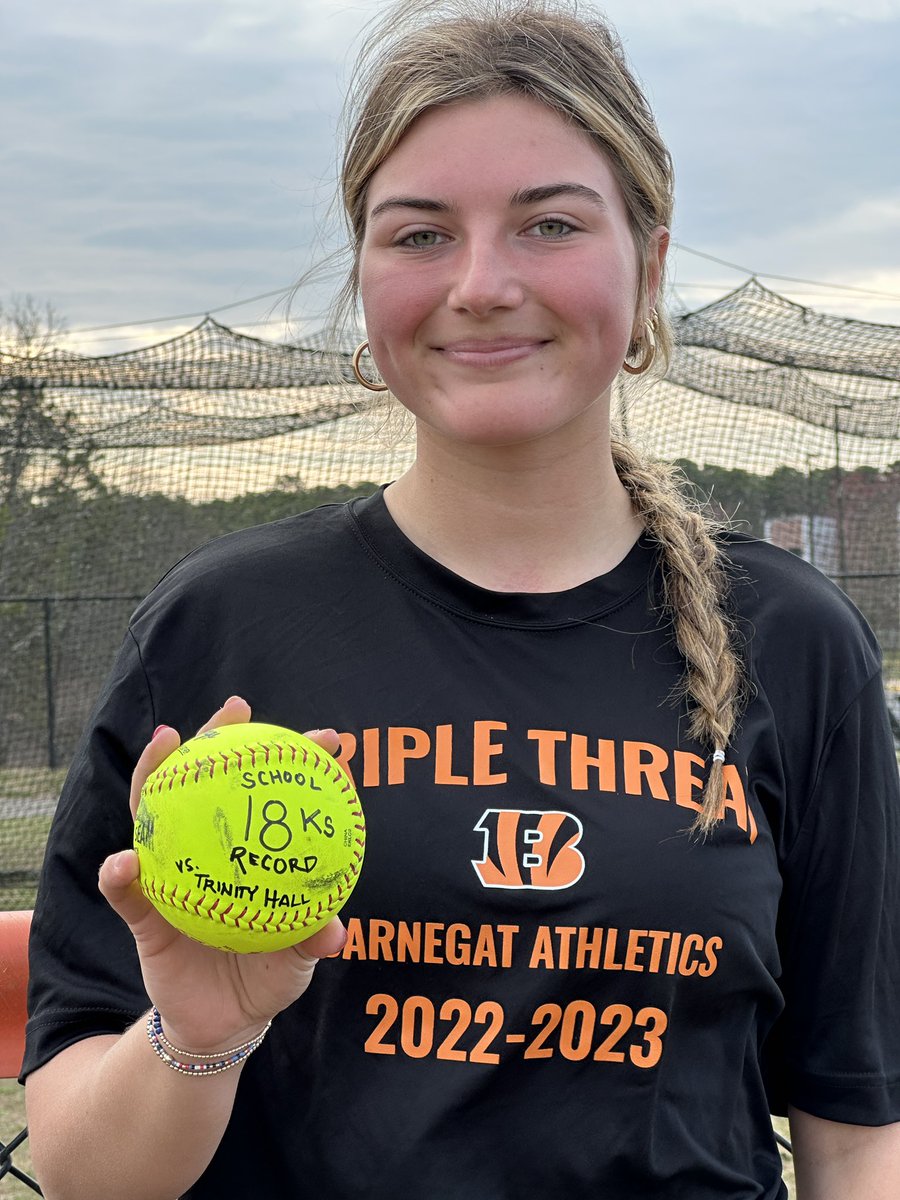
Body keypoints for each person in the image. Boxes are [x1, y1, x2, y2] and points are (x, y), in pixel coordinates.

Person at [21, 2, 900, 1197]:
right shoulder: (220, 624)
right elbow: (84, 1175)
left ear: (648, 266)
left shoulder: (792, 638)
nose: (482, 284)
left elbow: (857, 1129)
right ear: (364, 278)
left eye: (550, 224)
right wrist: (201, 1034)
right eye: (421, 234)